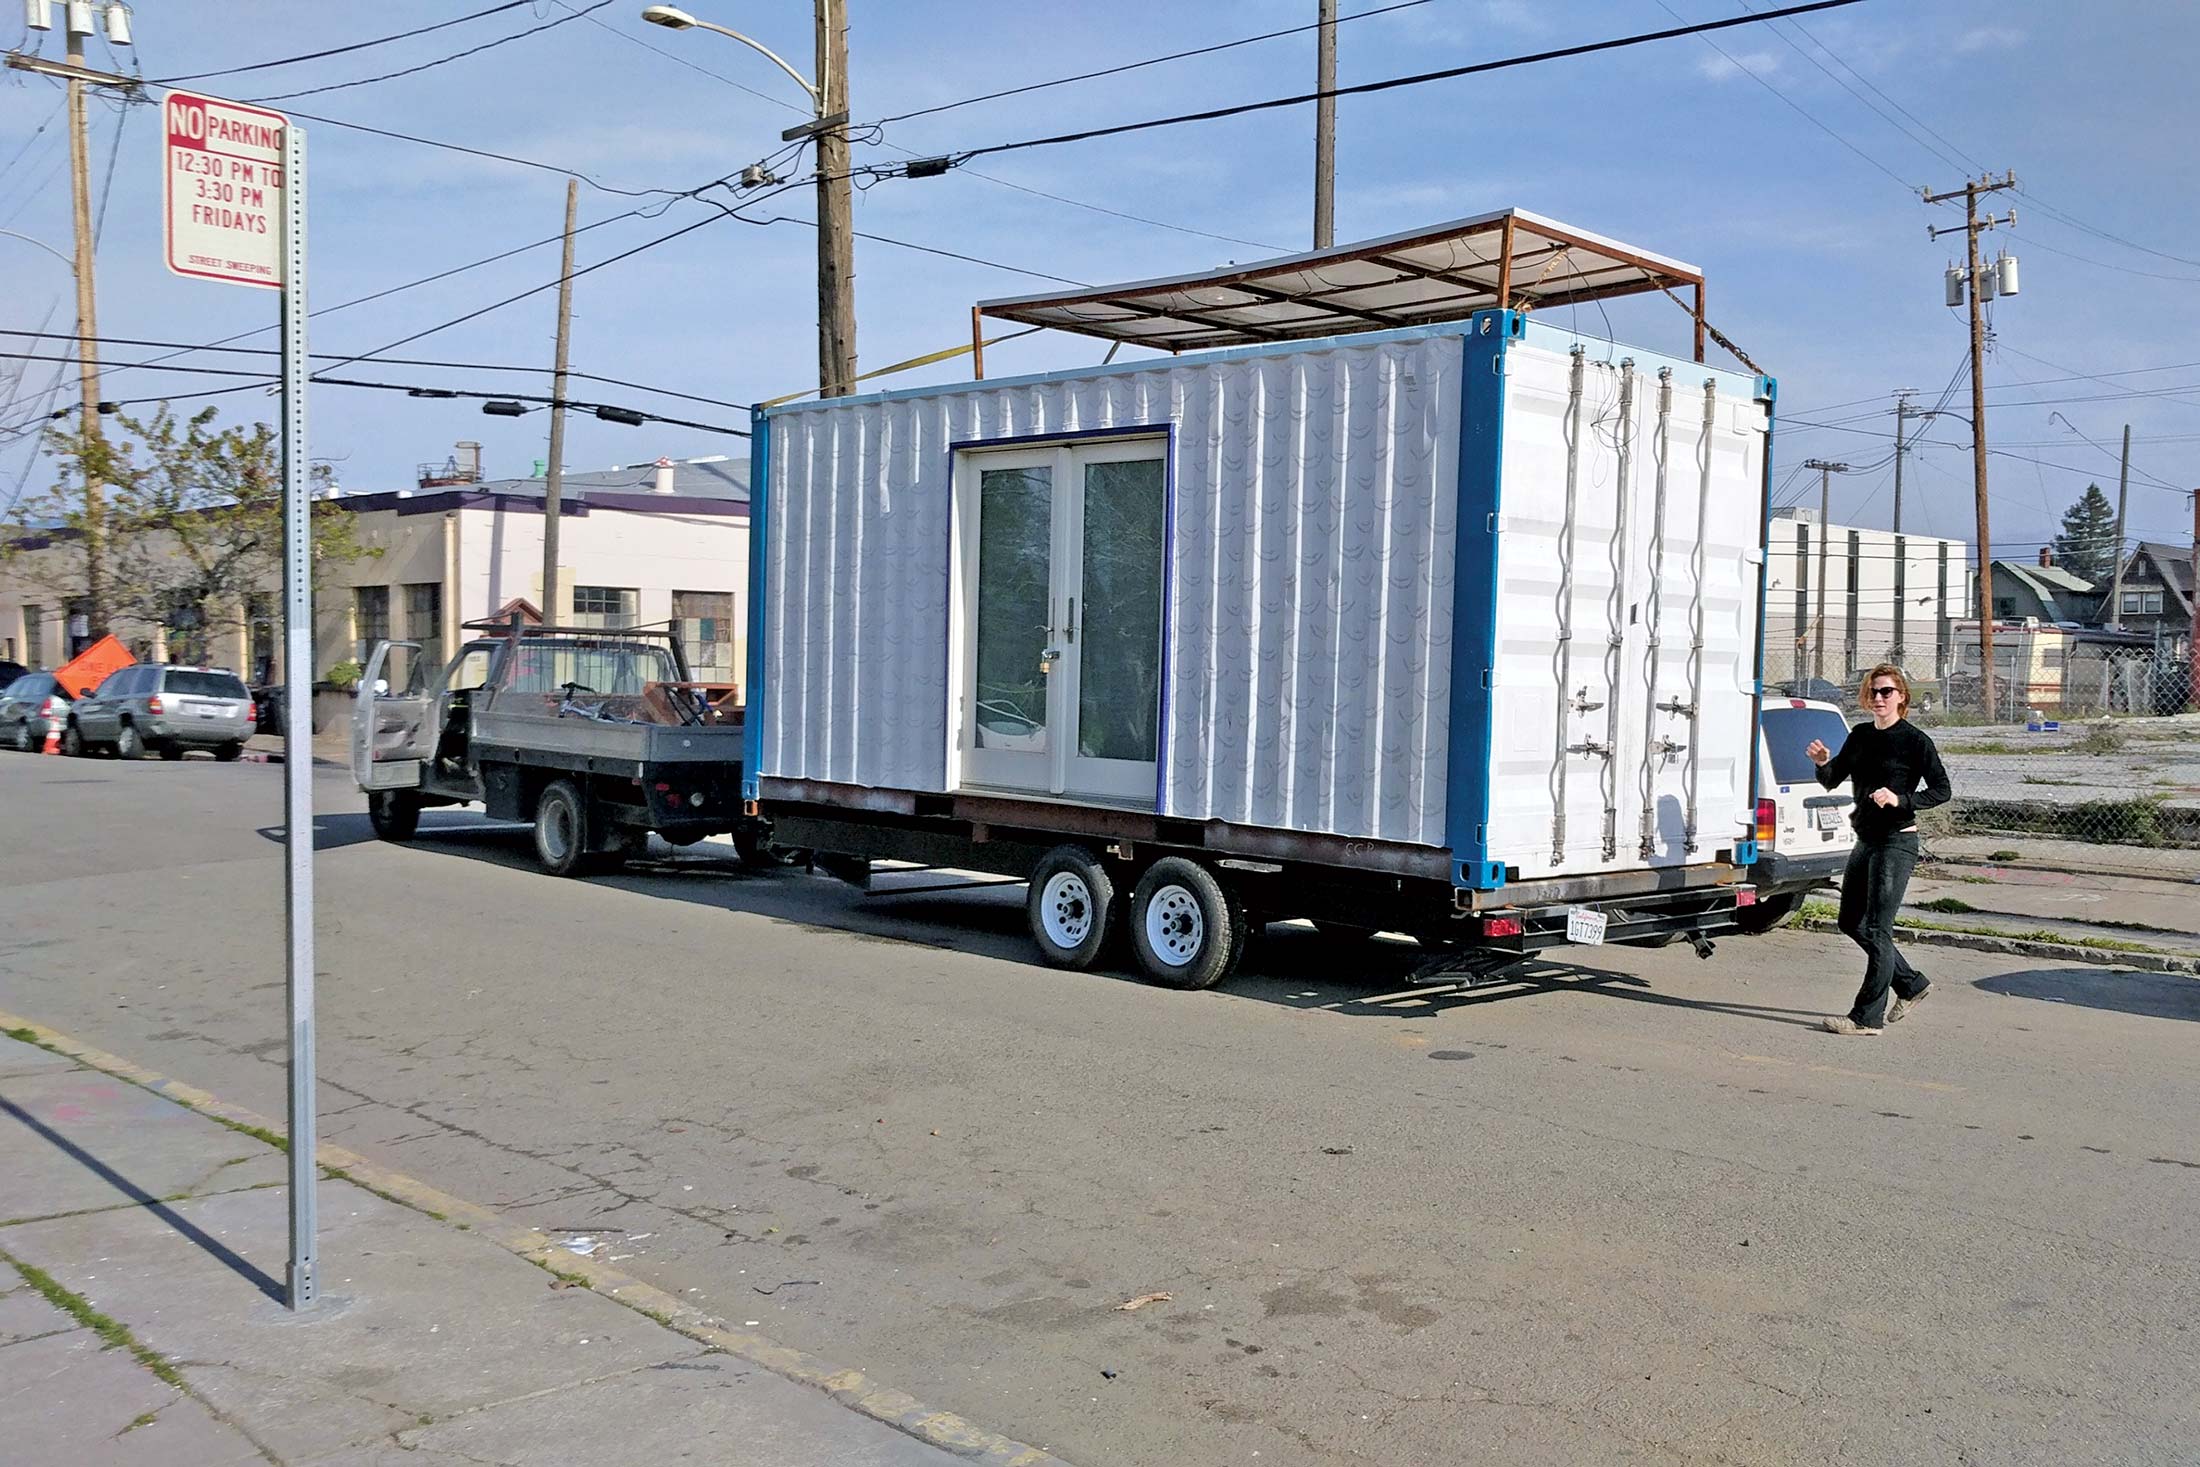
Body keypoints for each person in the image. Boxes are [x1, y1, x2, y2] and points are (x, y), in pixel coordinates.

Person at [1805, 664, 1950, 1036]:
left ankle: (1866, 1018)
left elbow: (1941, 790)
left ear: (1902, 696)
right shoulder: (1861, 735)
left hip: (1897, 842)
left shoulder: (1915, 741)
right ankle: (1911, 983)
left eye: (1886, 691)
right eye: (1873, 692)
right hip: (1866, 840)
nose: (1879, 698)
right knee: (1851, 922)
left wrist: (1901, 799)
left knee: (1876, 927)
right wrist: (1822, 762)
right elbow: (1832, 778)